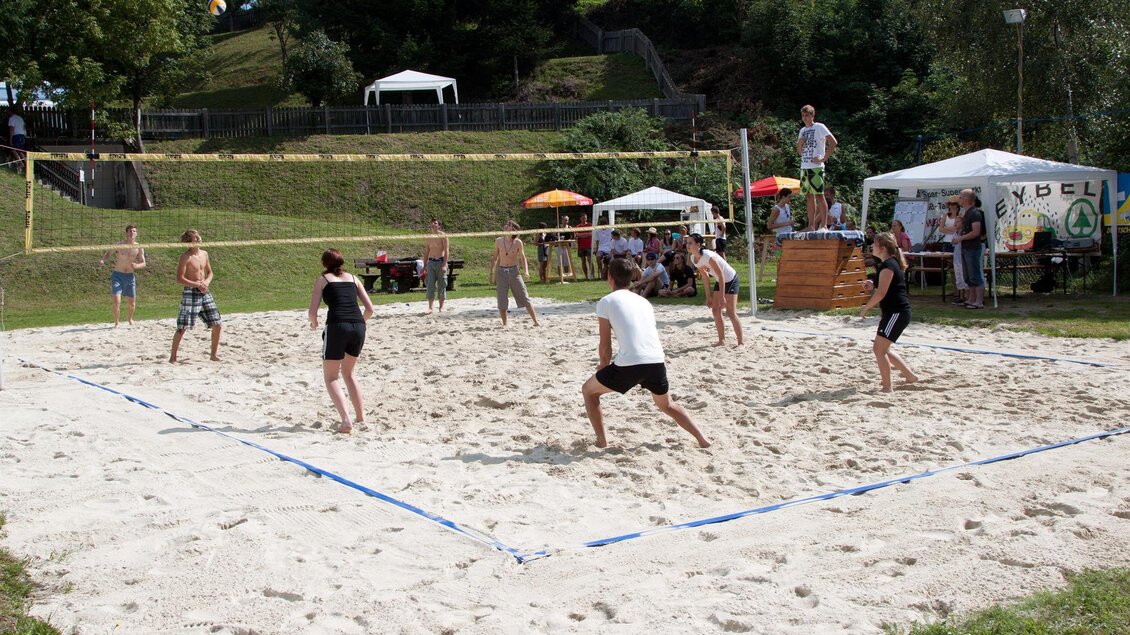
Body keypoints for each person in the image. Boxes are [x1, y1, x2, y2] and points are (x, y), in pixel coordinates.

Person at [581, 257, 710, 449]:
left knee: (589, 391)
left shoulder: (605, 302)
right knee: (667, 404)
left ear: (609, 277)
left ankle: (602, 441)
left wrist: (603, 366)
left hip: (629, 364)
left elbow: (605, 346)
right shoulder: (644, 302)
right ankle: (702, 439)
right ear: (632, 277)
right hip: (656, 360)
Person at [307, 249, 375, 433]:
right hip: (358, 326)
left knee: (331, 378)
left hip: (337, 326)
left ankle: (346, 420)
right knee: (349, 374)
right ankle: (360, 417)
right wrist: (358, 322)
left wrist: (314, 324)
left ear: (324, 264)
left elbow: (312, 312)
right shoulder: (354, 278)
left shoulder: (323, 280)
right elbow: (370, 309)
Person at [859, 232, 919, 392]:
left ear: (883, 247)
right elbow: (883, 284)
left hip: (897, 313)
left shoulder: (888, 265)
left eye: (874, 244)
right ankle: (910, 376)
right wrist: (871, 282)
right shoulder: (887, 264)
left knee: (879, 350)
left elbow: (881, 293)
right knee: (882, 349)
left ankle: (887, 387)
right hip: (894, 313)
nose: (872, 246)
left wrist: (865, 308)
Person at [169, 229, 222, 363]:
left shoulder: (204, 254)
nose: (199, 239)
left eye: (199, 237)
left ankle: (213, 355)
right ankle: (173, 357)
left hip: (204, 291)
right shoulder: (185, 257)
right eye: (196, 238)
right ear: (189, 242)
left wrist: (206, 282)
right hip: (191, 292)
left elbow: (210, 272)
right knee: (183, 326)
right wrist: (196, 284)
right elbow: (179, 279)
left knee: (217, 323)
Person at [687, 233, 744, 346]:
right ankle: (722, 341)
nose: (687, 245)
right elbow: (705, 276)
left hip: (730, 279)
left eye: (690, 243)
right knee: (715, 310)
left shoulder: (708, 256)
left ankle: (741, 343)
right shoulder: (693, 258)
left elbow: (721, 274)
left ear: (698, 244)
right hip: (720, 280)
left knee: (730, 312)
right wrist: (708, 296)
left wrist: (722, 296)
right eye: (687, 243)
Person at [489, 219, 539, 326]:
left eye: (508, 225)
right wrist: (491, 273)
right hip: (501, 271)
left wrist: (526, 271)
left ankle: (535, 321)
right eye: (506, 224)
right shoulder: (498, 241)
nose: (505, 226)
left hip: (514, 272)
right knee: (502, 299)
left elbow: (523, 258)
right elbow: (495, 257)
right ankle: (505, 324)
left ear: (513, 229)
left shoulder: (518, 242)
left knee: (524, 296)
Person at [796, 105, 837, 231]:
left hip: (816, 167)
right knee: (809, 197)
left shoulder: (819, 126)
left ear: (812, 115)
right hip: (805, 166)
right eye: (803, 116)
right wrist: (800, 144)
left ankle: (824, 225)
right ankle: (811, 225)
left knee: (819, 195)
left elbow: (833, 142)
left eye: (807, 115)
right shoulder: (802, 130)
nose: (805, 118)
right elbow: (799, 152)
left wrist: (824, 158)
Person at [98, 225, 146, 327]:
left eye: (134, 231)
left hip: (130, 276)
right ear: (126, 233)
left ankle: (129, 318)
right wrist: (103, 260)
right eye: (130, 231)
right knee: (117, 301)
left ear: (136, 234)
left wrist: (137, 266)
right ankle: (116, 322)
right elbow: (108, 254)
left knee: (132, 304)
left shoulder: (139, 247)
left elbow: (144, 263)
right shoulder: (119, 244)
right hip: (117, 276)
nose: (132, 233)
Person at [956, 188, 986, 309]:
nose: (959, 199)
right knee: (967, 275)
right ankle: (971, 298)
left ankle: (979, 301)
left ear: (966, 199)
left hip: (973, 248)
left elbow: (976, 232)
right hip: (966, 247)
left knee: (975, 274)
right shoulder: (966, 213)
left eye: (961, 197)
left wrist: (961, 238)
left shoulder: (975, 213)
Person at [422, 218, 450, 312]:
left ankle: (441, 307)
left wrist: (444, 264)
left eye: (435, 223)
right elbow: (426, 252)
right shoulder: (429, 237)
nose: (433, 224)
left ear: (439, 225)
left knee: (441, 285)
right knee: (430, 285)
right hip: (431, 262)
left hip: (440, 261)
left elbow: (446, 251)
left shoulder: (443, 236)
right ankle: (430, 307)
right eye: (432, 223)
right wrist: (424, 266)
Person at [593, 213, 614, 279]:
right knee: (598, 257)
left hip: (609, 249)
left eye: (605, 224)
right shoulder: (597, 231)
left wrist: (612, 249)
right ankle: (601, 271)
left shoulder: (610, 230)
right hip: (601, 248)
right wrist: (596, 250)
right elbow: (597, 241)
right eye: (602, 224)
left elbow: (612, 240)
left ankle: (609, 274)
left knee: (609, 259)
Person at [575, 212, 594, 280]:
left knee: (590, 260)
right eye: (583, 218)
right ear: (580, 219)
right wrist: (586, 234)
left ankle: (592, 275)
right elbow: (577, 235)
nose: (584, 219)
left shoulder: (590, 225)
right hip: (581, 246)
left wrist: (582, 235)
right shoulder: (578, 226)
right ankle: (586, 276)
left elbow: (591, 234)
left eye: (585, 218)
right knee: (583, 261)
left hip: (588, 245)